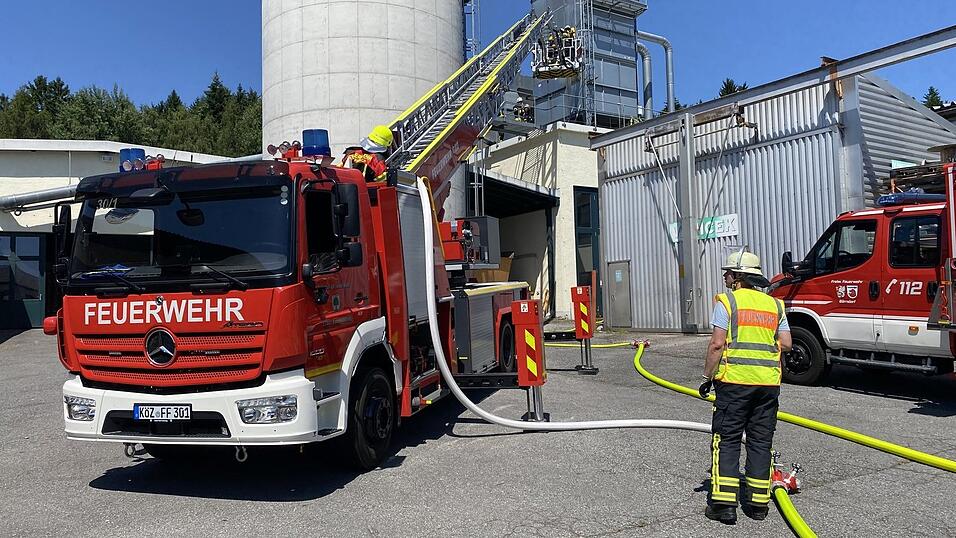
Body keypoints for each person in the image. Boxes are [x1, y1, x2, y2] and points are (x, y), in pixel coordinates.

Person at [698, 249, 792, 525]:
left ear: (738, 277)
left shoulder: (727, 302)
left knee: (726, 440)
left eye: (728, 272)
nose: (725, 276)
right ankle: (758, 505)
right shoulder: (775, 305)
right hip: (767, 387)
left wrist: (707, 377)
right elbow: (786, 343)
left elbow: (716, 344)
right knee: (760, 442)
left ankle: (724, 506)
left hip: (734, 383)